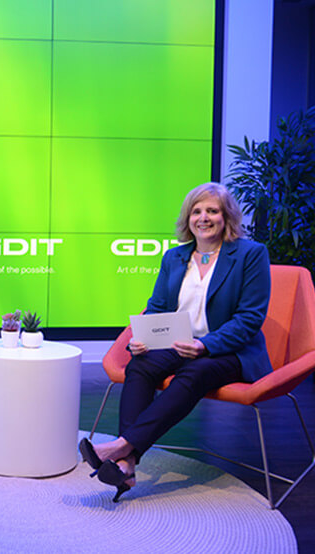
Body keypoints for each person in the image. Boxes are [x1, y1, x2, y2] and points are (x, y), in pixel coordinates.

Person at [79, 182, 271, 502]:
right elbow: (157, 308)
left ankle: (123, 446)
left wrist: (205, 345)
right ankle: (126, 464)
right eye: (197, 211)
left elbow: (250, 318)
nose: (203, 217)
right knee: (139, 366)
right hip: (178, 344)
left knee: (195, 373)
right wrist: (140, 341)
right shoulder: (174, 257)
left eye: (212, 211)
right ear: (188, 218)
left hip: (228, 350)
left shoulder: (251, 254)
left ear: (227, 217)